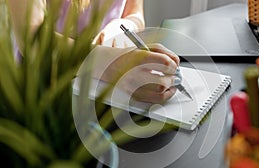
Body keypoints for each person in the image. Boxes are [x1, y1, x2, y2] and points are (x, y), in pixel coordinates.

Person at [6, 0, 180, 103]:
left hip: (103, 91)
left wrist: (126, 26)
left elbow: (134, 12)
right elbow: (30, 37)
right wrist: (112, 65)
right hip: (43, 91)